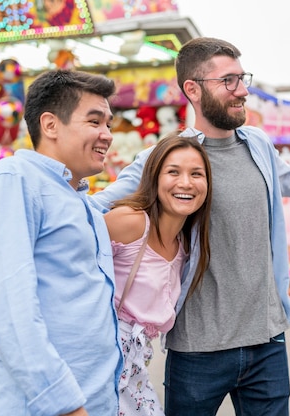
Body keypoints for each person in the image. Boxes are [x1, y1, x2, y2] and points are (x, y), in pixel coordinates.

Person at [91, 37, 290, 415]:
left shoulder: (257, 144)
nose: (242, 91)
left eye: (243, 79)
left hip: (267, 338)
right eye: (229, 81)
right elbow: (97, 205)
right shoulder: (168, 157)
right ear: (192, 89)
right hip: (197, 347)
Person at [0, 70, 122, 416]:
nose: (107, 135)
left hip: (93, 400)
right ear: (50, 125)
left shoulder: (77, 197)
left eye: (109, 124)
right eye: (95, 122)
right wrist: (65, 405)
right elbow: (13, 313)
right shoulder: (13, 182)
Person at [107, 133, 212, 415]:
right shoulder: (130, 222)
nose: (186, 183)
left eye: (197, 174)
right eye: (173, 172)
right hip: (100, 365)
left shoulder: (185, 247)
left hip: (135, 372)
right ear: (154, 177)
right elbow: (59, 250)